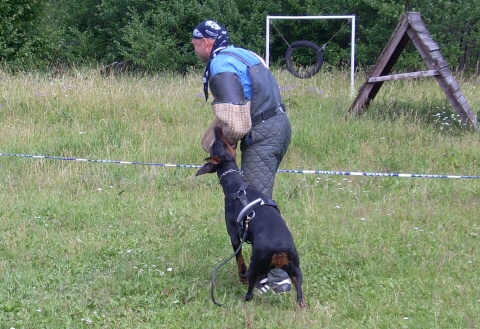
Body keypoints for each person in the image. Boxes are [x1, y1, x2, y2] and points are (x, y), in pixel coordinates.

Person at [192, 20, 292, 295]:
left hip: (262, 134)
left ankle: (275, 275)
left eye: (195, 41)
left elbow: (236, 124)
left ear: (206, 42)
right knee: (259, 203)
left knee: (256, 209)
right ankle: (269, 272)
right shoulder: (244, 54)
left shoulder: (220, 65)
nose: (193, 46)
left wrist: (222, 149)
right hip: (279, 126)